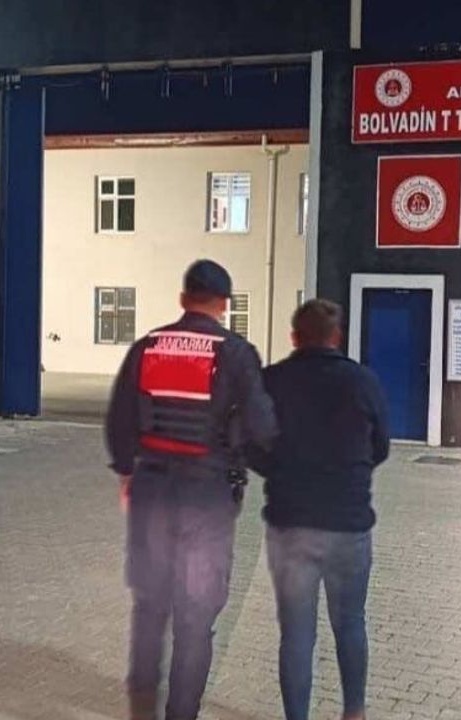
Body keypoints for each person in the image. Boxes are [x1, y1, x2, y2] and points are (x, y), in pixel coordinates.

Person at [105, 259, 277, 720]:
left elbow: (119, 420)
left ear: (183, 299)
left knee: (149, 607)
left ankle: (141, 711)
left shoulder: (147, 346)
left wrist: (126, 472)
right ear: (224, 304)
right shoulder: (236, 354)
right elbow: (263, 428)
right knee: (196, 618)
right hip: (208, 498)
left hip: (151, 492)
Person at [253, 299, 390, 720]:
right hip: (349, 525)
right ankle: (354, 712)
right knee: (350, 623)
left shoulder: (272, 381)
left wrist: (278, 470)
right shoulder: (363, 381)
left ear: (294, 337)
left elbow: (249, 443)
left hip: (291, 524)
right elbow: (381, 446)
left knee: (297, 634)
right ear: (337, 336)